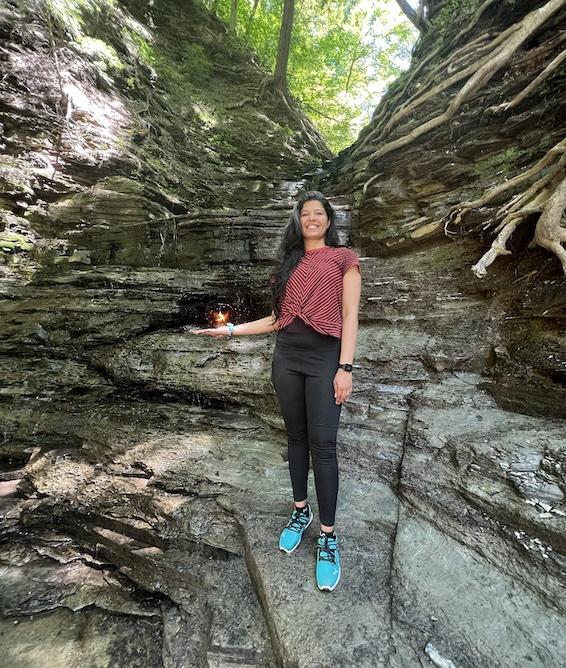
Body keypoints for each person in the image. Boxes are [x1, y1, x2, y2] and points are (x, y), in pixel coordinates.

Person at [191, 191, 361, 592]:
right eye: (306, 214)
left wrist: (345, 368)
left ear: (329, 221)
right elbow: (276, 319)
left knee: (324, 444)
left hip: (324, 360)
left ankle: (328, 535)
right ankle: (300, 512)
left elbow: (351, 315)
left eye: (319, 214)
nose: (313, 219)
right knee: (296, 439)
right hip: (286, 359)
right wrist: (231, 330)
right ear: (298, 221)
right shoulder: (288, 264)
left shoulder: (344, 259)